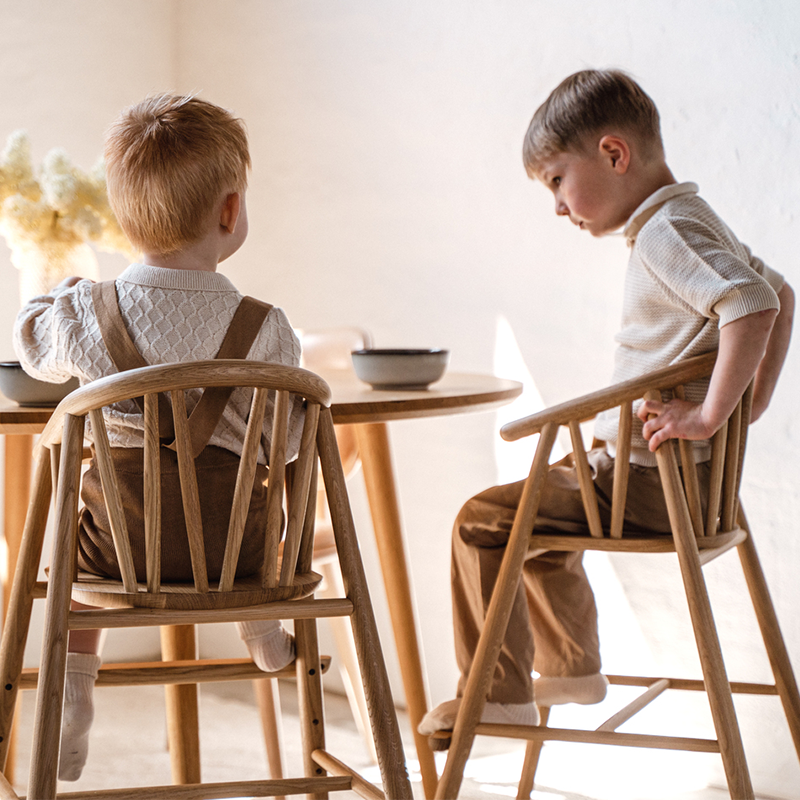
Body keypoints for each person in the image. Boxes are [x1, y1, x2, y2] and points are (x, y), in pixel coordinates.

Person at [419, 68, 794, 738]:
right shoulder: (691, 218)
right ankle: (570, 669)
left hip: (648, 482)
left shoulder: (665, 233)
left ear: (613, 154)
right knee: (539, 521)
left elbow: (755, 302)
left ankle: (497, 694)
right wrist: (747, 404)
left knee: (481, 523)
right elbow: (780, 290)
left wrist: (713, 413)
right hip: (692, 483)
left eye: (558, 180)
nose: (559, 206)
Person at [14, 94, 305, 780]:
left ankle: (77, 685)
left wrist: (55, 292)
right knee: (244, 514)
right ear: (230, 212)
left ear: (122, 218)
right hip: (241, 557)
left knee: (72, 551)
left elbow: (30, 347)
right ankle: (261, 621)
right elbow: (287, 445)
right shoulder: (267, 326)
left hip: (116, 555)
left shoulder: (86, 310)